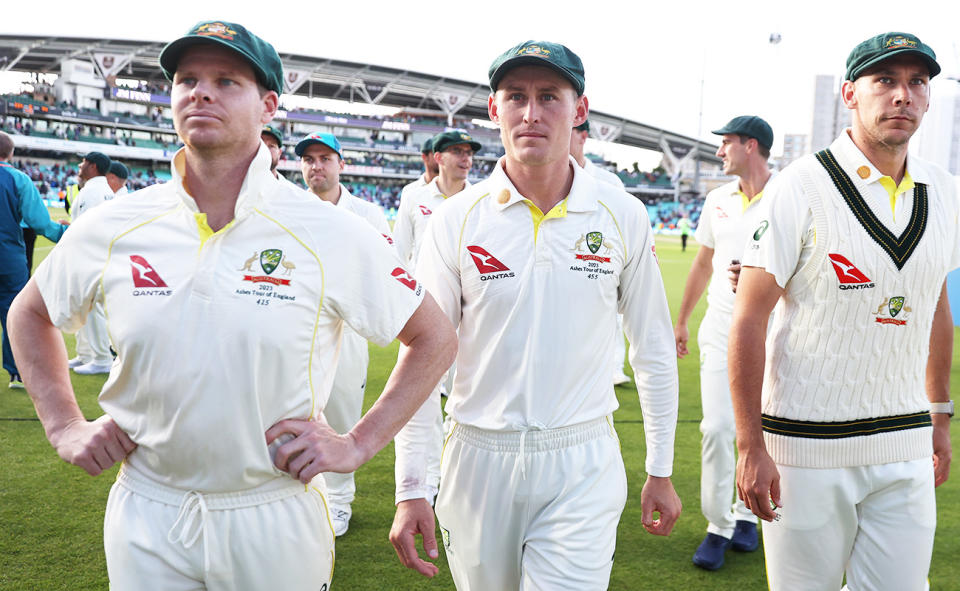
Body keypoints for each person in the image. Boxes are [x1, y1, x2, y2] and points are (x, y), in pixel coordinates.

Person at [8, 20, 455, 591]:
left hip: (273, 509)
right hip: (149, 508)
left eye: (226, 81)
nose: (201, 92)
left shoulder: (329, 230)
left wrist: (359, 442)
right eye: (187, 79)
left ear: (268, 104)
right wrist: (65, 425)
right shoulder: (115, 223)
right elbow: (29, 313)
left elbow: (434, 336)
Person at [390, 40, 681, 590]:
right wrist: (410, 486)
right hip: (478, 458)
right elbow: (422, 357)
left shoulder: (622, 215)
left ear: (580, 109)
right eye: (516, 96)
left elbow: (653, 349)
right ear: (494, 109)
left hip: (582, 457)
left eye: (549, 96)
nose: (531, 113)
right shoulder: (455, 221)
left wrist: (660, 469)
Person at [729, 32, 955, 591]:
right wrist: (751, 445)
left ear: (928, 98)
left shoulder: (945, 191)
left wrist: (940, 411)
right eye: (885, 81)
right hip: (805, 447)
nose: (902, 95)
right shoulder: (799, 186)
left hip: (904, 441)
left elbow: (935, 303)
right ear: (851, 94)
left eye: (916, 83)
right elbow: (749, 319)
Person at [673, 115, 773, 570]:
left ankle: (747, 514)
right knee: (716, 429)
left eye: (725, 143)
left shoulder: (788, 197)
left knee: (765, 431)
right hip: (720, 331)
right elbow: (701, 264)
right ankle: (719, 526)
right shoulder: (717, 199)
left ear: (750, 146)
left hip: (774, 332)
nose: (719, 152)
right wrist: (682, 320)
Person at [296, 130, 392, 536]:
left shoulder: (368, 214)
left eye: (324, 158)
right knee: (294, 412)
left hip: (348, 330)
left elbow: (387, 268)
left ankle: (339, 501)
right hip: (297, 328)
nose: (316, 166)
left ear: (340, 164)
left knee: (340, 414)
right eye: (309, 159)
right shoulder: (289, 209)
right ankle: (302, 500)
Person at [0, 131, 67, 389]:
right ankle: (15, 373)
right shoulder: (19, 179)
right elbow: (39, 223)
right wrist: (66, 232)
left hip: (10, 255)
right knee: (12, 314)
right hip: (9, 259)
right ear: (11, 153)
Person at [570, 118, 631, 386]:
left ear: (583, 137)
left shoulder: (609, 182)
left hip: (599, 261)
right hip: (568, 262)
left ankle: (614, 368)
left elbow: (623, 227)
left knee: (612, 320)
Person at [68, 150, 116, 375]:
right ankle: (87, 354)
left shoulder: (93, 192)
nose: (80, 165)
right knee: (83, 306)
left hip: (89, 256)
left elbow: (85, 228)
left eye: (84, 162)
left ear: (93, 166)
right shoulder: (102, 190)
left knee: (90, 307)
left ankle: (101, 358)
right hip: (97, 254)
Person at [393, 136, 439, 268]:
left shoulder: (457, 191)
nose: (439, 157)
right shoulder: (410, 191)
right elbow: (401, 241)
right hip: (419, 270)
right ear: (425, 157)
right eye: (435, 152)